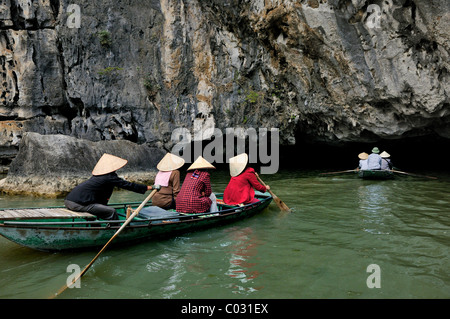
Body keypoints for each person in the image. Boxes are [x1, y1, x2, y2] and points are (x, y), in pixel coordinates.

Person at [64, 153, 152, 220]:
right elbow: (128, 185)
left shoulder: (98, 176)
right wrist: (147, 188)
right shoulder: (109, 177)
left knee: (100, 207)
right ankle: (115, 228)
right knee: (112, 211)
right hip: (77, 205)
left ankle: (96, 225)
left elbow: (102, 196)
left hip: (68, 201)